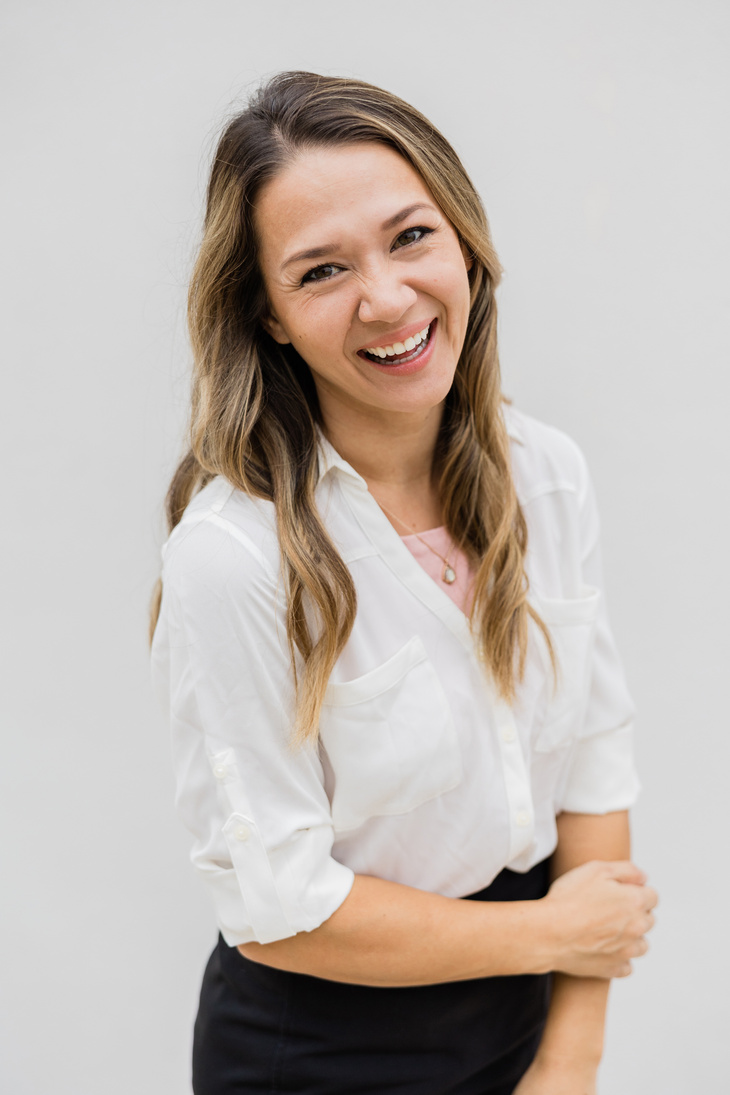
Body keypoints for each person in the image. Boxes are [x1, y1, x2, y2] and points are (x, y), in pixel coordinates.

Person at [150, 71, 658, 1095]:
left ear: (464, 239)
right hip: (318, 1055)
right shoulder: (235, 556)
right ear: (272, 318)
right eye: (321, 270)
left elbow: (595, 777)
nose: (385, 297)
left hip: (523, 1028)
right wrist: (551, 932)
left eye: (410, 237)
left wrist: (569, 1062)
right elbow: (282, 905)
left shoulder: (544, 473)